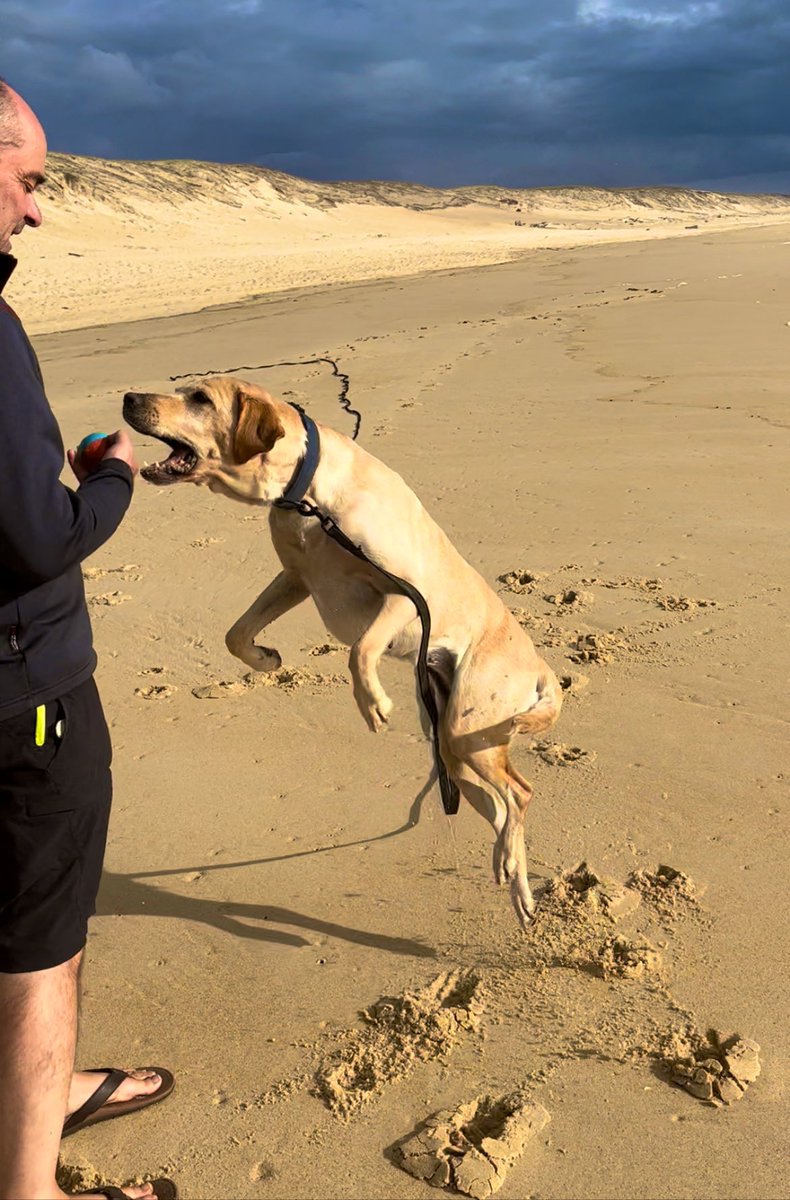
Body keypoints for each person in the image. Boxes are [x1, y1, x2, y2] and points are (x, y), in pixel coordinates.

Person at [0, 79, 176, 1200]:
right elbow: (38, 537)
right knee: (41, 942)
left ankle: (39, 1085)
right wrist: (108, 480)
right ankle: (30, 1174)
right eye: (25, 180)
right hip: (29, 698)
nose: (34, 211)